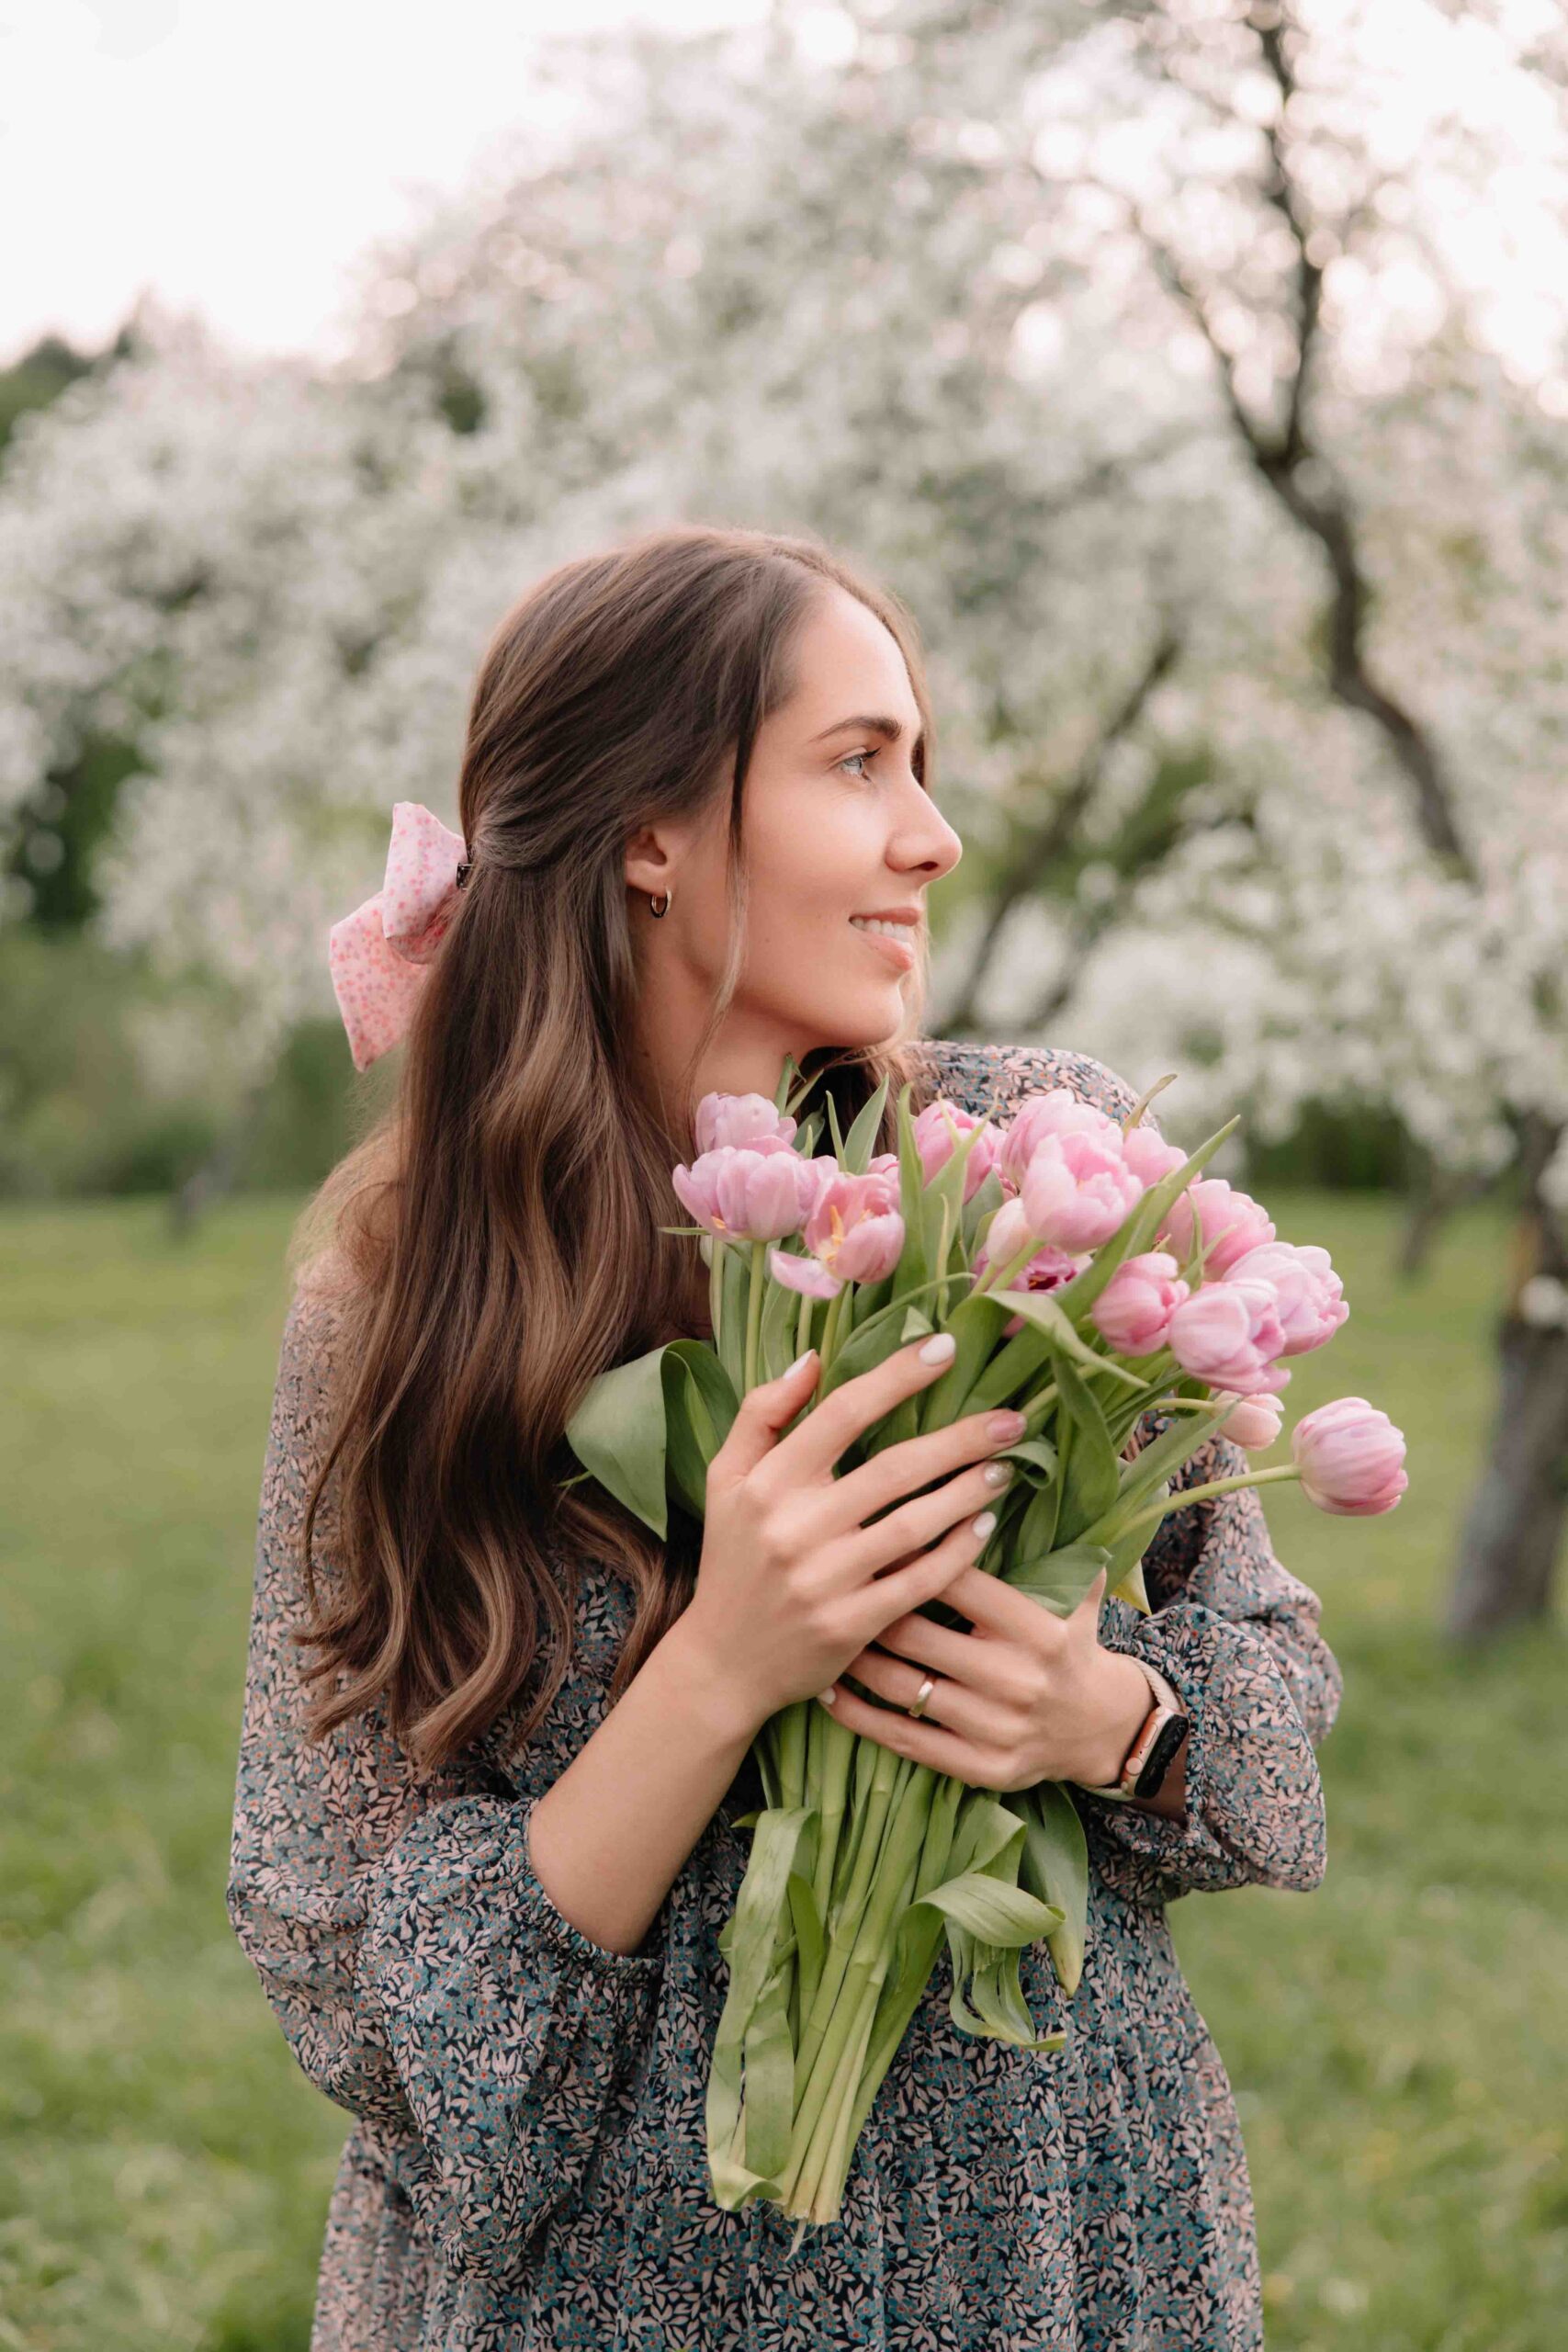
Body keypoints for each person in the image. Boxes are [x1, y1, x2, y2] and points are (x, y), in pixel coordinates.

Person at [226, 521, 1343, 2350]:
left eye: (922, 764)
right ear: (650, 833)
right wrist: (722, 1664)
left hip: (1048, 2259)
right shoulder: (405, 1297)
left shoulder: (1037, 1176)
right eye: (853, 762)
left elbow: (1268, 1716)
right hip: (605, 2297)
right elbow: (352, 1980)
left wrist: (1112, 1721)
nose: (932, 833)